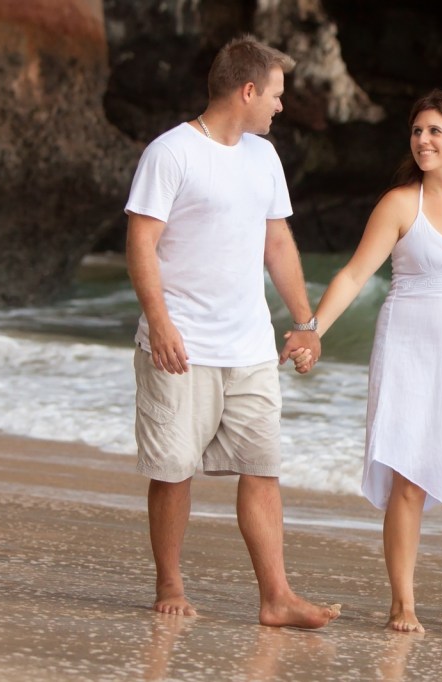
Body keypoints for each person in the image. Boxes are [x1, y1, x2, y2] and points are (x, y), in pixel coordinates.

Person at [124, 34, 339, 629]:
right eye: (275, 94)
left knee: (262, 466)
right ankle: (169, 581)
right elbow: (141, 242)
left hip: (249, 344)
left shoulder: (263, 158)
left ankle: (276, 596)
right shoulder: (171, 153)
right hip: (182, 344)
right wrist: (161, 322)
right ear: (247, 90)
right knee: (173, 470)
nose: (280, 105)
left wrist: (305, 323)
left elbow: (277, 243)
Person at [298, 88, 442, 637]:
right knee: (410, 481)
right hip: (407, 350)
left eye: (434, 132)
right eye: (417, 131)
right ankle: (403, 604)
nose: (423, 140)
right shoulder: (401, 204)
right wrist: (312, 331)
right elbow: (355, 274)